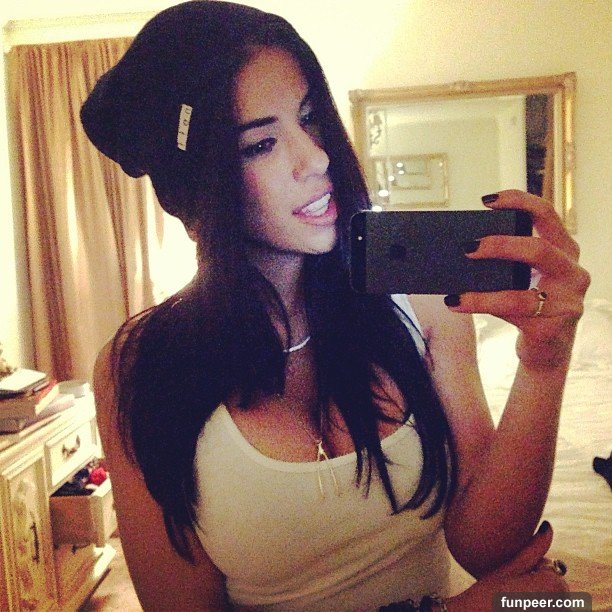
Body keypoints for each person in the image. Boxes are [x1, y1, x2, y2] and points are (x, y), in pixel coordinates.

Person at [81, 2, 590, 610]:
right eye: (261, 144)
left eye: (310, 118)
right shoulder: (139, 368)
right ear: (197, 188)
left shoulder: (419, 304)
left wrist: (544, 361)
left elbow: (485, 545)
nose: (317, 158)